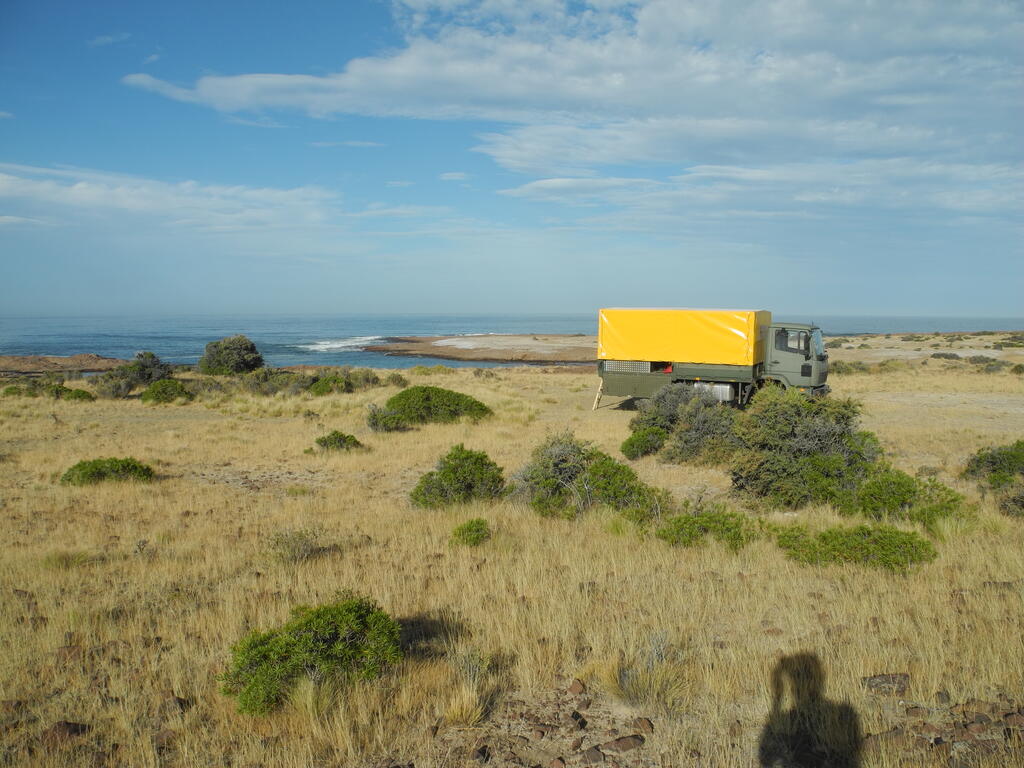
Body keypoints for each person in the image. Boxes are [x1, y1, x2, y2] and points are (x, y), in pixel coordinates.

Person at [758, 653, 862, 767]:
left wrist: (777, 701)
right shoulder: (843, 715)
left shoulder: (785, 724)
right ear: (820, 680)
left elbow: (765, 758)